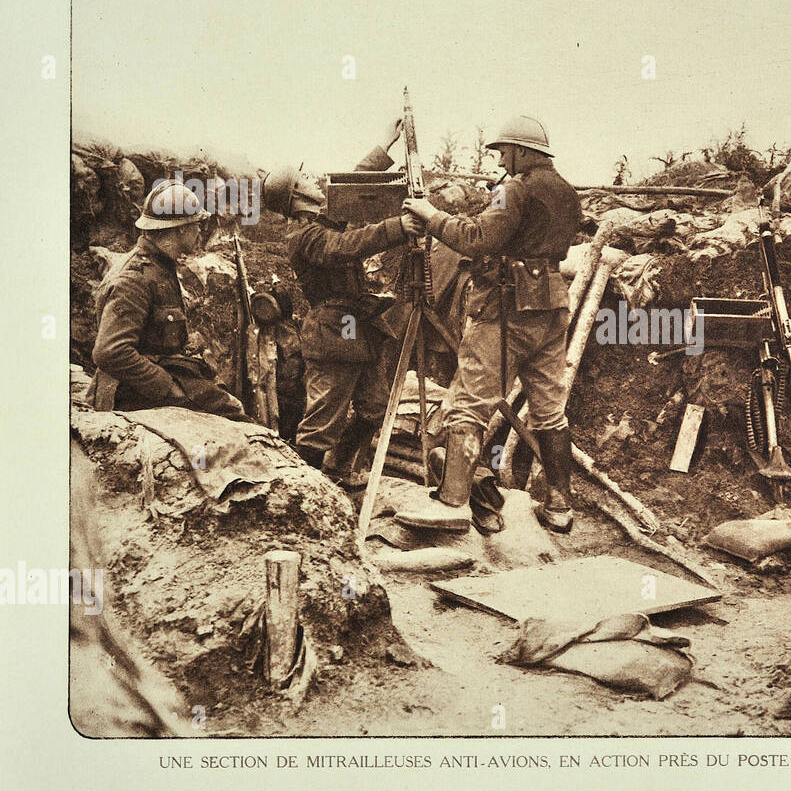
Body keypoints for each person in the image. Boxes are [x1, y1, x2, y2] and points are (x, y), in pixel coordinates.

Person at [401, 114, 582, 531]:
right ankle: (559, 506)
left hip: (505, 309)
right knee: (551, 412)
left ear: (521, 150)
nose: (500, 160)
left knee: (469, 403)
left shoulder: (514, 189)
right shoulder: (568, 193)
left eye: (503, 151)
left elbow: (477, 240)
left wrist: (431, 215)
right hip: (552, 306)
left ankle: (452, 503)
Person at [273, 120, 423, 484]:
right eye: (306, 179)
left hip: (357, 332)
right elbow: (344, 247)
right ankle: (302, 490)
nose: (315, 181)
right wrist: (399, 227)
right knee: (321, 423)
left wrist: (384, 146)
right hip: (332, 335)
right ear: (296, 195)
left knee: (374, 410)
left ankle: (338, 467)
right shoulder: (302, 235)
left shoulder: (321, 220)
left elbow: (351, 186)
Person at [91, 180, 250, 420]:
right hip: (130, 392)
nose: (199, 231)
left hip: (154, 373)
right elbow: (110, 352)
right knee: (233, 415)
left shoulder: (160, 266)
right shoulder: (134, 278)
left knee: (228, 401)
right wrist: (168, 387)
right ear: (179, 229)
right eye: (196, 225)